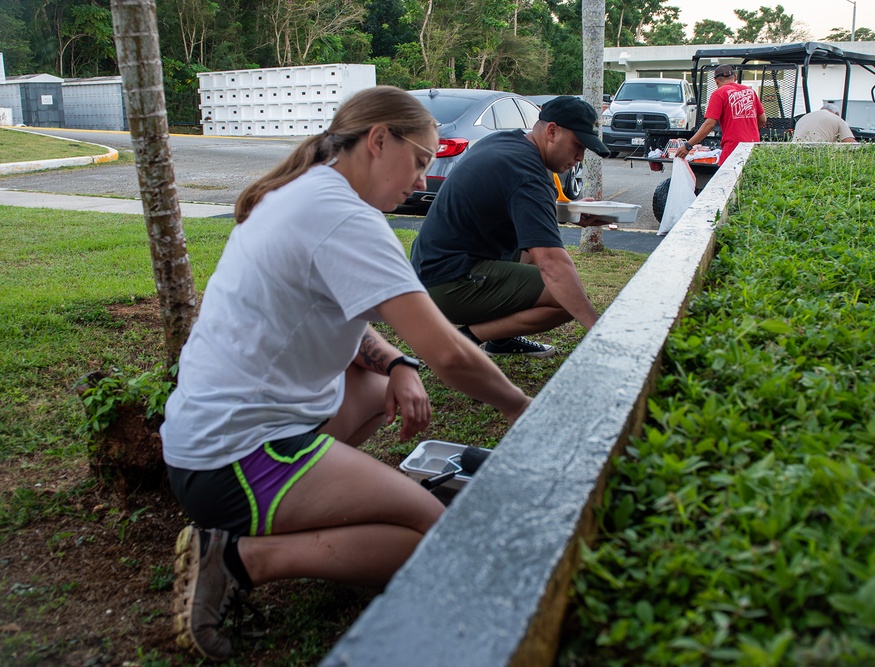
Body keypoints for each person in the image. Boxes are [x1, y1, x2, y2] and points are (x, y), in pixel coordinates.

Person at [160, 85, 532, 662]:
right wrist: (521, 408)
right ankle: (237, 557)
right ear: (379, 140)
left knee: (380, 384)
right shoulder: (343, 218)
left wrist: (400, 364)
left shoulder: (303, 192)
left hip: (203, 441)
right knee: (432, 537)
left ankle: (289, 508)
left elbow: (351, 318)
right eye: (420, 160)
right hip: (233, 456)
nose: (421, 181)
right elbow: (451, 354)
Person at [409, 96, 612, 359]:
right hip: (445, 282)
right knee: (564, 296)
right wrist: (600, 330)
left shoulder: (508, 142)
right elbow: (553, 264)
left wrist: (571, 213)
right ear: (552, 131)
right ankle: (465, 339)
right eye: (578, 145)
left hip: (430, 267)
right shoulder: (528, 173)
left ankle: (502, 341)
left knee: (532, 255)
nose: (579, 157)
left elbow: (519, 208)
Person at [675, 64, 766, 166]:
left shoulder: (719, 93)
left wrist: (688, 145)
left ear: (716, 81)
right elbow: (762, 119)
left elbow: (710, 124)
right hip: (753, 147)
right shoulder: (750, 91)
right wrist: (748, 130)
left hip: (733, 148)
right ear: (735, 77)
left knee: (727, 179)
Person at [792, 102, 858, 143]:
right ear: (836, 114)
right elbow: (850, 143)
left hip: (796, 151)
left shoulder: (803, 118)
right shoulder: (837, 119)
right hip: (818, 151)